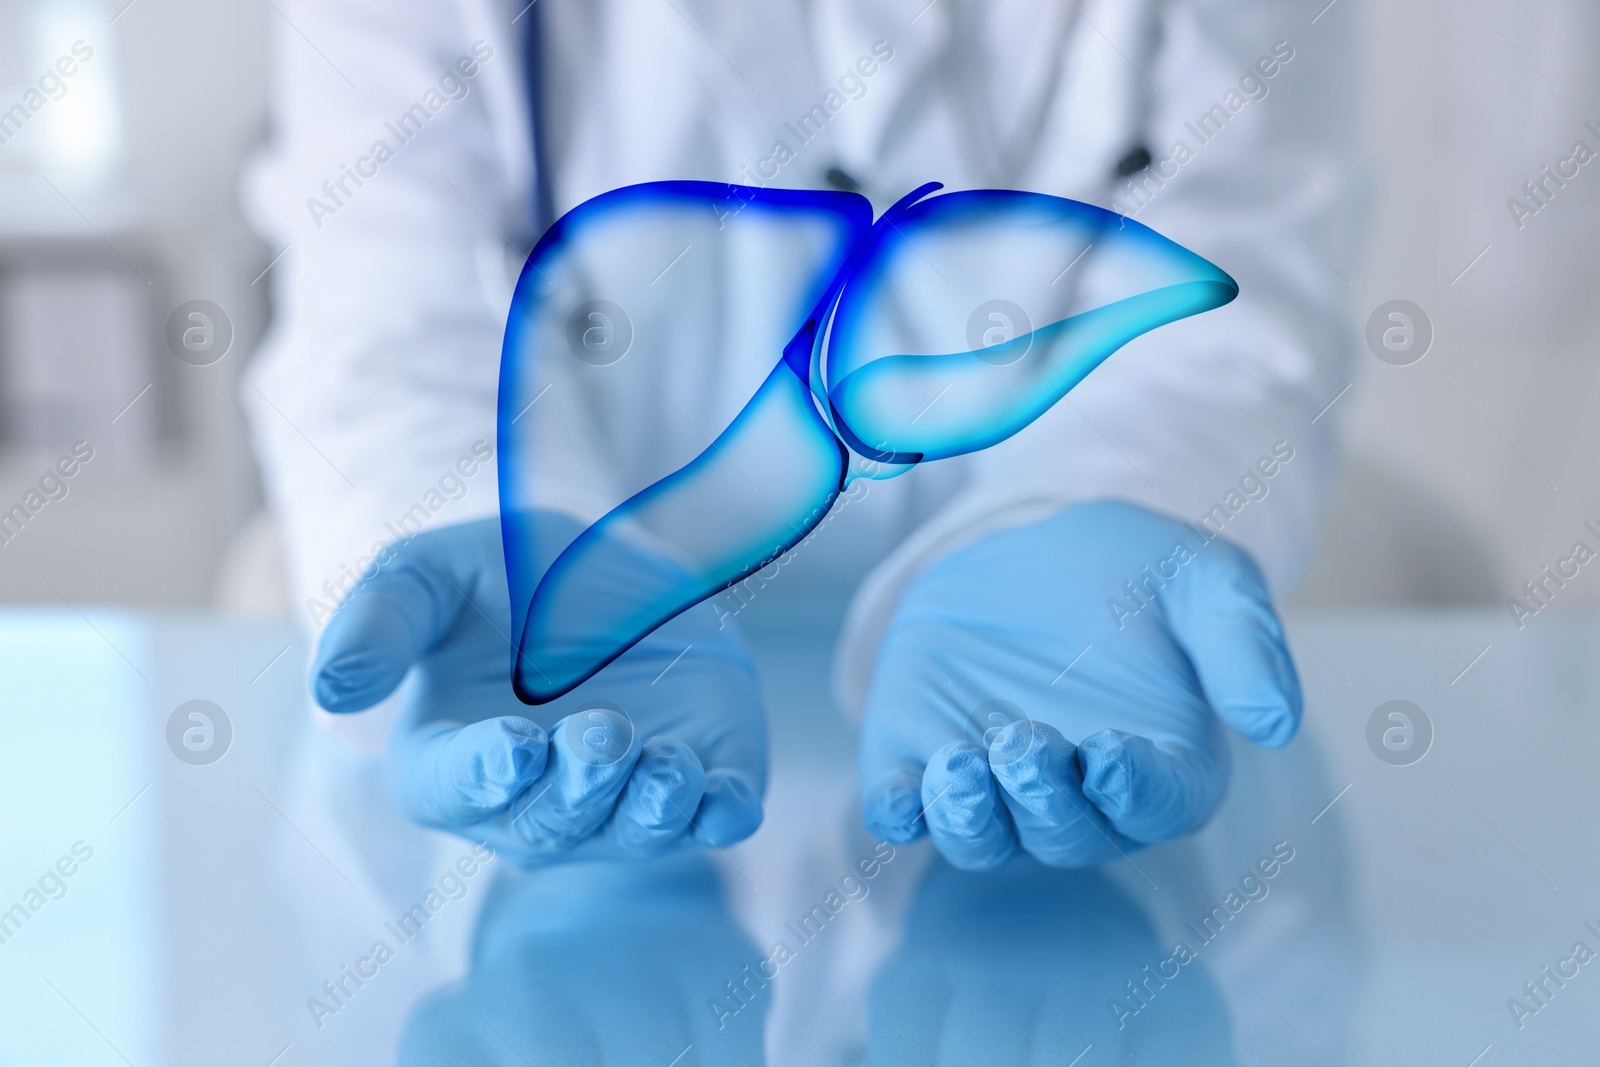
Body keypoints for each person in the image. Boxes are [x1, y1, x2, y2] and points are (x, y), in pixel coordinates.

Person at [242, 0, 1357, 871]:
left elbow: (1235, 294)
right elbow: (389, 303)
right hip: (583, 645)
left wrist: (1110, 502)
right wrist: (488, 516)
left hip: (1063, 686)